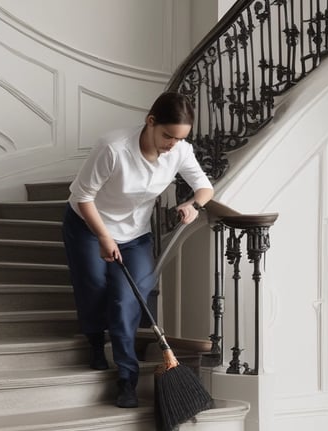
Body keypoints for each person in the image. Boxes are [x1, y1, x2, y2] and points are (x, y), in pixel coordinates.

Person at [62, 92, 214, 408]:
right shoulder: (113, 148)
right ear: (151, 122)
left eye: (180, 138)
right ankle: (93, 340)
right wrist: (104, 238)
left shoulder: (180, 150)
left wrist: (193, 204)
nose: (173, 144)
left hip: (136, 234)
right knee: (94, 285)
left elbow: (205, 187)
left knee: (126, 300)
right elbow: (82, 197)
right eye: (168, 136)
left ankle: (126, 381)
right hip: (89, 226)